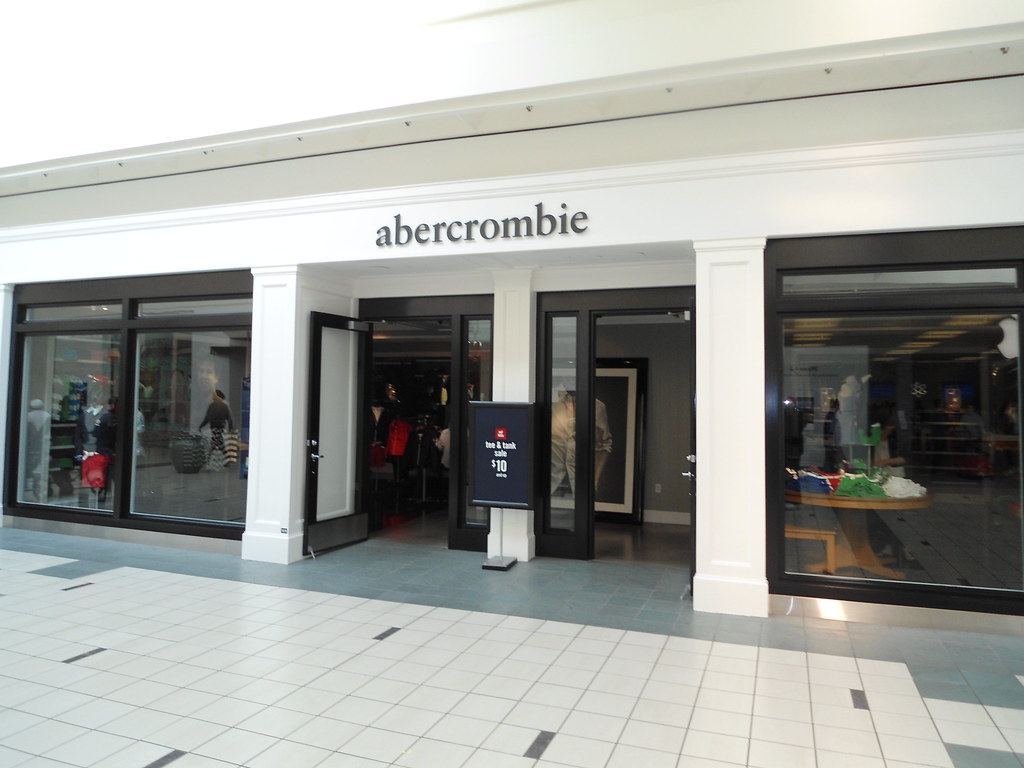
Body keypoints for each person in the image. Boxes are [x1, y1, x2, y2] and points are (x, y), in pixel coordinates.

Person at [199, 389, 234, 470]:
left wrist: (201, 426)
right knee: (217, 443)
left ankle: (206, 462)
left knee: (214, 444)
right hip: (220, 427)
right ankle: (228, 460)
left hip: (214, 427)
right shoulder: (224, 406)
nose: (212, 396)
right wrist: (230, 427)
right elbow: (229, 418)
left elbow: (207, 418)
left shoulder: (212, 406)